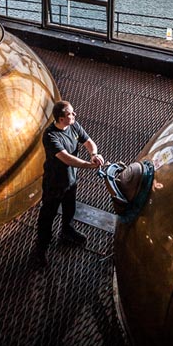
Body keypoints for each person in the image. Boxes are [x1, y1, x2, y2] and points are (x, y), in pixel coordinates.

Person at [33, 100, 103, 268]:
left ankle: (67, 231)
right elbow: (66, 158)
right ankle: (39, 251)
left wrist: (94, 154)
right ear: (61, 118)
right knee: (47, 217)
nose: (74, 115)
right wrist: (88, 165)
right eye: (70, 114)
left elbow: (88, 141)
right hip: (54, 184)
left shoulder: (73, 126)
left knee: (69, 208)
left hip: (70, 181)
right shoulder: (50, 136)